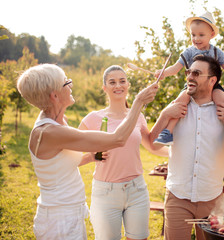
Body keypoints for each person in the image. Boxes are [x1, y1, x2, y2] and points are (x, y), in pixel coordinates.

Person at [16, 64, 158, 240]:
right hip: (60, 220)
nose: (71, 85)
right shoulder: (52, 132)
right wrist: (138, 102)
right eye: (66, 82)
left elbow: (63, 159)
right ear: (54, 96)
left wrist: (91, 156)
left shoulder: (57, 122)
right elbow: (118, 139)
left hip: (69, 213)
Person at [150, 55, 224, 240]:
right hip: (177, 197)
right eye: (188, 72)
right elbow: (152, 145)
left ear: (212, 80)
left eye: (196, 73)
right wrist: (164, 114)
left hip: (211, 200)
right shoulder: (175, 108)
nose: (189, 77)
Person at [78, 65, 168, 240]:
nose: (118, 85)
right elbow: (70, 155)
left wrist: (176, 153)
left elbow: (151, 146)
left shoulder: (137, 116)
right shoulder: (92, 118)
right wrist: (90, 156)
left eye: (122, 81)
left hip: (137, 189)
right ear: (105, 88)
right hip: (106, 193)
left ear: (128, 85)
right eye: (112, 82)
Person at [153, 11, 224, 150]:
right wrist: (163, 73)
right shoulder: (189, 52)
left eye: (201, 35)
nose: (196, 38)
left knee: (223, 103)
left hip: (213, 85)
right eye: (193, 35)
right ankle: (168, 132)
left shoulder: (216, 52)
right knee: (179, 102)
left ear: (212, 35)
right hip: (192, 85)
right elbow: (175, 68)